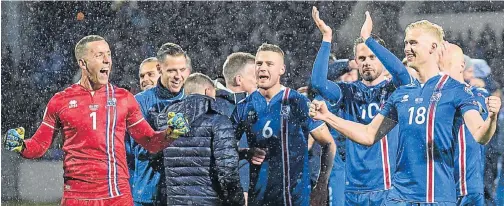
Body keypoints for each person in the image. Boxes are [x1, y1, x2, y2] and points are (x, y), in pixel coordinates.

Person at [309, 18, 501, 205]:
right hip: (393, 195)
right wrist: (327, 116)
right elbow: (368, 134)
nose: (407, 48)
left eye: (413, 43)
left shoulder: (452, 90)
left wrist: (492, 118)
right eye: (406, 43)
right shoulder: (400, 94)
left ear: (433, 48)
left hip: (428, 194)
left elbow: (480, 135)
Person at [2, 35, 189, 205]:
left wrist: (170, 134)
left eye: (108, 54)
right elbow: (39, 145)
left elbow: (150, 142)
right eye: (100, 55)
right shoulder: (60, 101)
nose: (107, 59)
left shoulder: (123, 99)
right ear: (83, 63)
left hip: (117, 196)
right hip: (77, 197)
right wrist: (21, 146)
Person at [310, 8, 413, 206]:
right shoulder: (347, 92)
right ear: (356, 62)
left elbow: (402, 74)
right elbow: (318, 82)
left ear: (382, 60)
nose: (367, 63)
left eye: (373, 57)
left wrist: (368, 39)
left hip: (387, 187)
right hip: (353, 188)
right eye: (362, 58)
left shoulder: (394, 89)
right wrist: (326, 38)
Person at [233, 42, 336, 206]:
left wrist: (322, 184)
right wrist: (246, 153)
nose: (262, 68)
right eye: (259, 63)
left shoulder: (298, 102)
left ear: (282, 69)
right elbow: (224, 150)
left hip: (295, 199)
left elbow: (329, 143)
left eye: (269, 64)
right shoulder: (243, 107)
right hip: (258, 200)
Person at [162, 73, 244, 205]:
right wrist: (236, 199)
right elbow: (227, 168)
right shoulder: (219, 121)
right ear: (208, 91)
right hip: (210, 200)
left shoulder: (167, 121)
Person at [127, 43, 191, 206]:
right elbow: (137, 148)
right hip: (149, 193)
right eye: (171, 71)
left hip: (183, 193)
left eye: (182, 70)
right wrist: (167, 135)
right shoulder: (140, 102)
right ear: (160, 68)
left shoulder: (193, 101)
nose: (178, 76)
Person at [439, 43, 489, 206]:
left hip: (467, 187)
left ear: (461, 65)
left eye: (446, 64)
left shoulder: (477, 95)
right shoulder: (432, 95)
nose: (441, 70)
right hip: (438, 187)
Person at [216, 52, 265, 205]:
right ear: (239, 80)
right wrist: (243, 190)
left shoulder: (212, 104)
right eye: (254, 76)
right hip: (238, 193)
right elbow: (238, 152)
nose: (258, 81)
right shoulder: (238, 109)